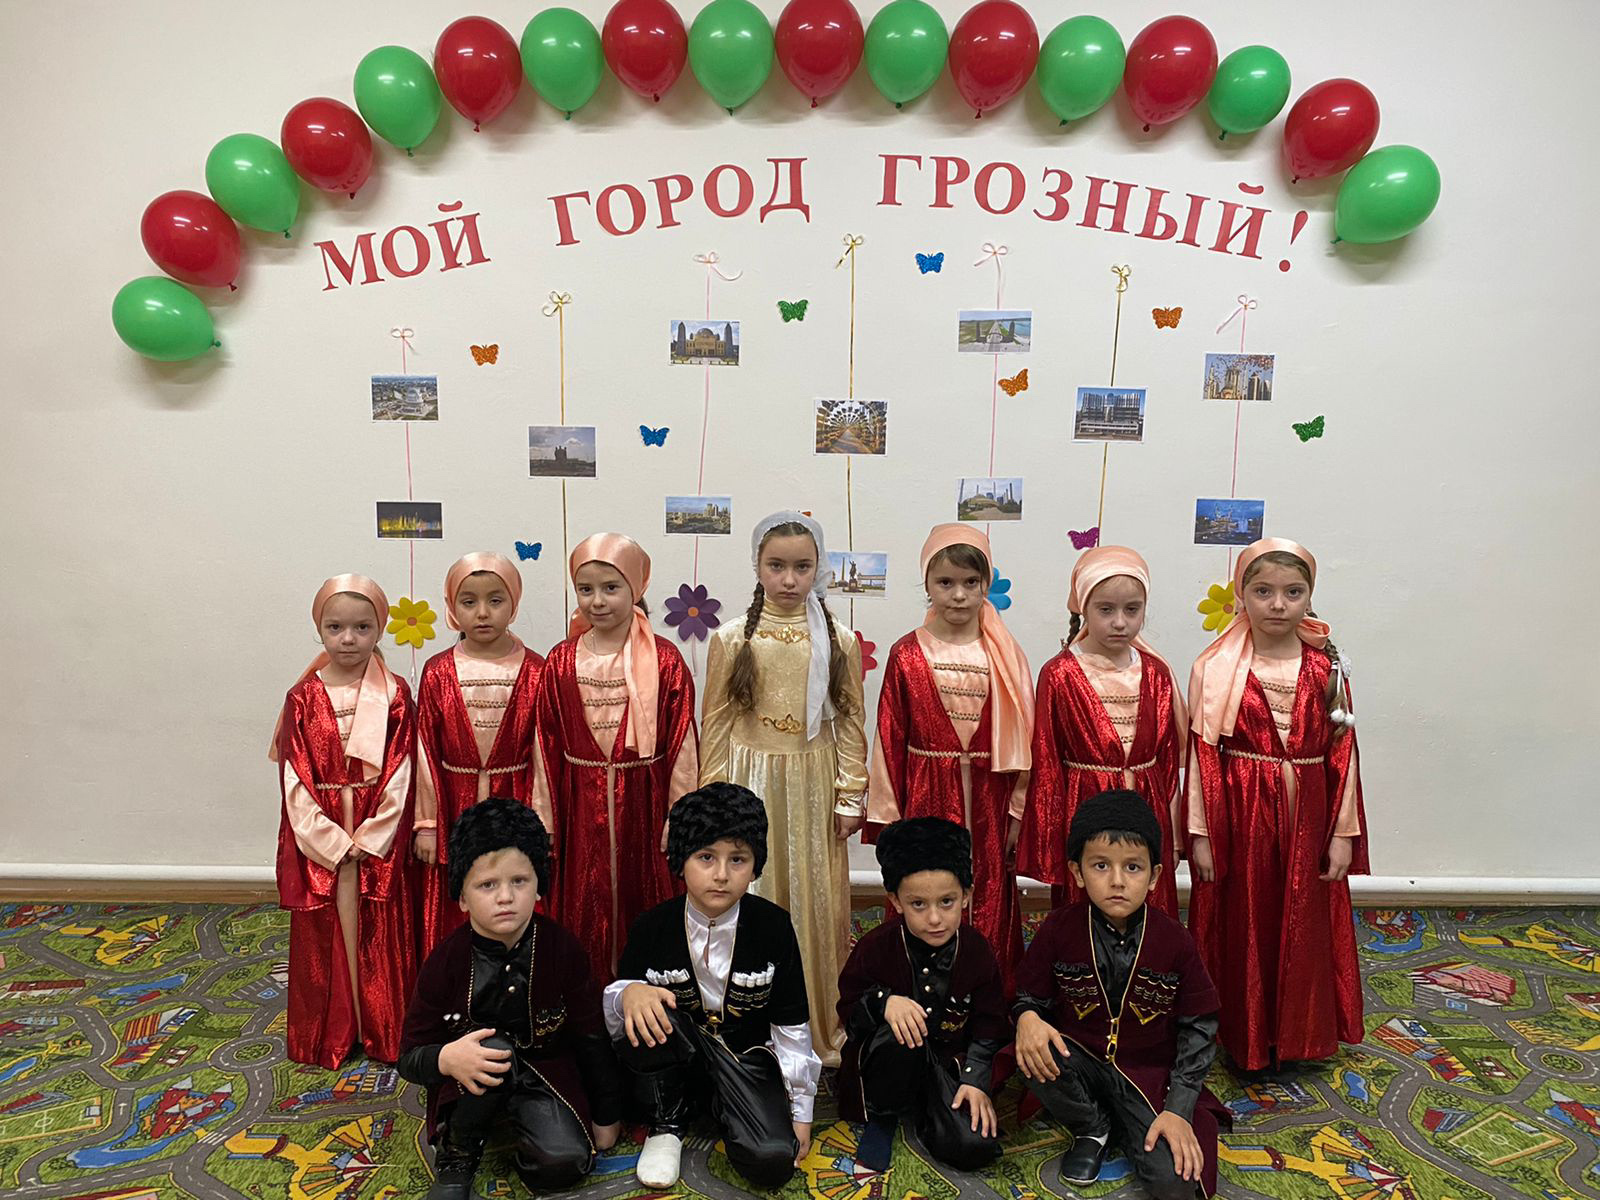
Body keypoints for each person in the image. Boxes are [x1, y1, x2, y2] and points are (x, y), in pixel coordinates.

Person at [1186, 538, 1366, 1071]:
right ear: (1241, 595)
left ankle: (1301, 1034)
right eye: (1263, 591)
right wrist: (1201, 833)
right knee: (1246, 918)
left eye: (1293, 592)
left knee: (1304, 920)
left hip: (1309, 816)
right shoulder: (1217, 669)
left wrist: (1342, 834)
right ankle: (1245, 1033)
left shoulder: (1327, 669)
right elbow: (1201, 757)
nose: (1278, 604)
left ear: (1309, 596)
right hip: (1241, 815)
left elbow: (1344, 755)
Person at [700, 511, 866, 1063]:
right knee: (754, 893)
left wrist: (850, 793)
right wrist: (713, 802)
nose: (789, 579)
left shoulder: (839, 640)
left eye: (801, 567)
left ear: (818, 568)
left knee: (816, 901)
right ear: (758, 566)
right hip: (750, 783)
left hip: (814, 783)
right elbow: (717, 723)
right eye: (776, 566)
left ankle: (818, 1023)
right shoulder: (732, 638)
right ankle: (747, 1029)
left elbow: (850, 720)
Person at [397, 798, 624, 1199]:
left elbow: (591, 1036)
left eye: (519, 881)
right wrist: (446, 1058)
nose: (505, 897)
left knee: (565, 1163)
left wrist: (606, 1115)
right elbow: (409, 1057)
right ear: (462, 897)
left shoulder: (562, 949)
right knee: (493, 1048)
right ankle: (458, 1154)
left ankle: (521, 1124)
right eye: (487, 885)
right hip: (468, 1079)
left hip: (546, 1071)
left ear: (538, 887)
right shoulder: (446, 962)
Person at [1014, 791, 1230, 1199]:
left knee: (1176, 1183)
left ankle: (1133, 1125)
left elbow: (1200, 1025)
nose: (1117, 881)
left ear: (1154, 875)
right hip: (1079, 1062)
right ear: (1077, 872)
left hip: (1147, 1075)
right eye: (1101, 865)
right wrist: (1027, 1018)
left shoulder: (1174, 940)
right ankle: (1092, 1127)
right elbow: (1029, 995)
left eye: (1133, 867)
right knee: (1030, 1052)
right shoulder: (1058, 929)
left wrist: (1178, 1109)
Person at [606, 783, 820, 1191]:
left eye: (737, 859)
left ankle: (726, 1110)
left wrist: (800, 1111)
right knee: (646, 1004)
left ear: (755, 865)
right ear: (681, 860)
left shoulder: (773, 926)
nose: (721, 875)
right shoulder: (652, 925)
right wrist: (629, 992)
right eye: (706, 857)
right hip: (673, 1065)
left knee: (772, 1161)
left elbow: (791, 1024)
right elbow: (617, 1015)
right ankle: (667, 1124)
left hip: (746, 1062)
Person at [867, 523, 1034, 992]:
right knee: (927, 888)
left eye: (971, 583)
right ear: (927, 583)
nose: (959, 595)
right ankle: (915, 995)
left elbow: (1027, 742)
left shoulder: (1005, 655)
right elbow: (889, 739)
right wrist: (890, 821)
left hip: (989, 800)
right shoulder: (907, 654)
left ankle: (990, 998)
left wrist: (1016, 810)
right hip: (928, 796)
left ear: (986, 584)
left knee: (987, 889)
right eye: (946, 582)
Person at [535, 533, 699, 981]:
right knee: (582, 906)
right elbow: (544, 745)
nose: (597, 601)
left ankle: (650, 996)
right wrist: (545, 821)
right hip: (579, 810)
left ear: (636, 587)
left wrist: (680, 817)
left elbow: (683, 746)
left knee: (643, 902)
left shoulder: (664, 660)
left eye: (611, 588)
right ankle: (584, 998)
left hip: (643, 808)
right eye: (585, 589)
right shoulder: (560, 661)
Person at [270, 574, 417, 1067]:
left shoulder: (394, 694)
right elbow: (295, 779)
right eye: (335, 628)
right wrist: (330, 841)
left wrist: (372, 836)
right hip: (326, 833)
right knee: (328, 929)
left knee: (379, 930)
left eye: (361, 628)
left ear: (379, 630)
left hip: (377, 832)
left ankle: (383, 1027)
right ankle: (331, 1031)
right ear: (320, 629)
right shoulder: (302, 697)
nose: (348, 639)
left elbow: (402, 770)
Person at [1019, 546, 1187, 917]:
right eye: (1106, 610)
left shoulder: (1156, 673)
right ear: (1084, 608)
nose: (1120, 622)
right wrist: (1052, 839)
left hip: (1146, 805)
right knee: (1087, 911)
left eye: (1132, 610)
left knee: (1147, 911)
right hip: (1085, 804)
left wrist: (1171, 836)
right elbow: (1046, 762)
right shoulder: (1059, 674)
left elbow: (1168, 763)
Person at [836, 817, 1006, 1173]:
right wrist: (883, 1002)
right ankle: (883, 1117)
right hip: (886, 1063)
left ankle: (932, 1109)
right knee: (902, 1033)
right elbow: (848, 1009)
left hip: (947, 1065)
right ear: (896, 901)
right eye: (918, 904)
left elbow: (990, 1024)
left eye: (947, 902)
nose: (935, 919)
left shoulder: (977, 951)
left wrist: (974, 1080)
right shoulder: (876, 947)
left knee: (974, 1147)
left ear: (966, 896)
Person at [413, 552, 544, 955]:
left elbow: (544, 753)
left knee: (511, 891)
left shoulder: (537, 670)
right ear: (452, 607)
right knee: (461, 896)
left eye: (495, 600)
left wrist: (542, 820)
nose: (483, 613)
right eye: (469, 602)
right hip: (454, 803)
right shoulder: (437, 671)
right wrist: (427, 824)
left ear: (514, 603)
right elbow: (424, 751)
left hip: (516, 799)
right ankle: (456, 978)